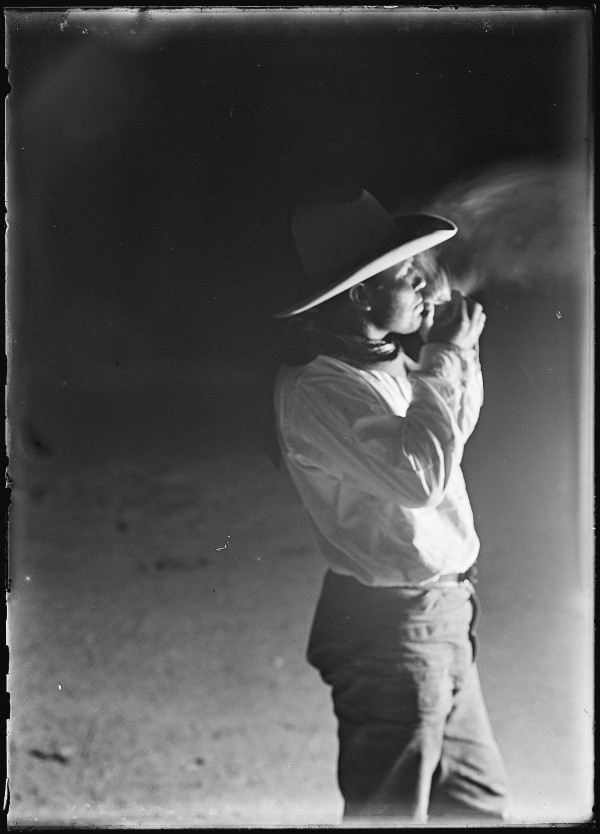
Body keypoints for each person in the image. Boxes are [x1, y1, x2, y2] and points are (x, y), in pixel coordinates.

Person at [271, 187, 510, 825]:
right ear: (359, 295)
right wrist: (445, 356)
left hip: (442, 610)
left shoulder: (385, 365)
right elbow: (422, 479)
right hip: (392, 628)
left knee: (478, 805)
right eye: (409, 278)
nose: (426, 290)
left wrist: (458, 356)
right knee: (390, 814)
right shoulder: (322, 391)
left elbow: (451, 437)